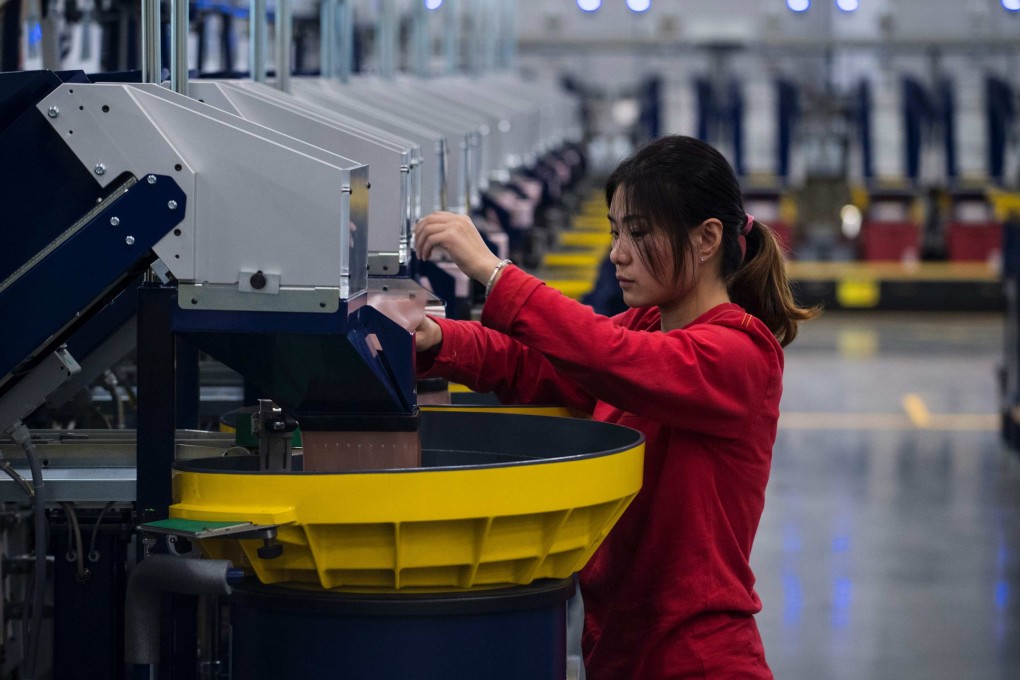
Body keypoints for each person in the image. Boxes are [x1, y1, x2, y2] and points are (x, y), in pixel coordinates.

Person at [412, 135, 819, 679]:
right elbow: (535, 363)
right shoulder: (649, 326)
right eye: (615, 231)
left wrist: (494, 273)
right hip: (622, 649)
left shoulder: (739, 353)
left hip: (696, 657)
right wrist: (436, 339)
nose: (618, 253)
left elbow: (608, 356)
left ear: (706, 239)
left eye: (639, 232)